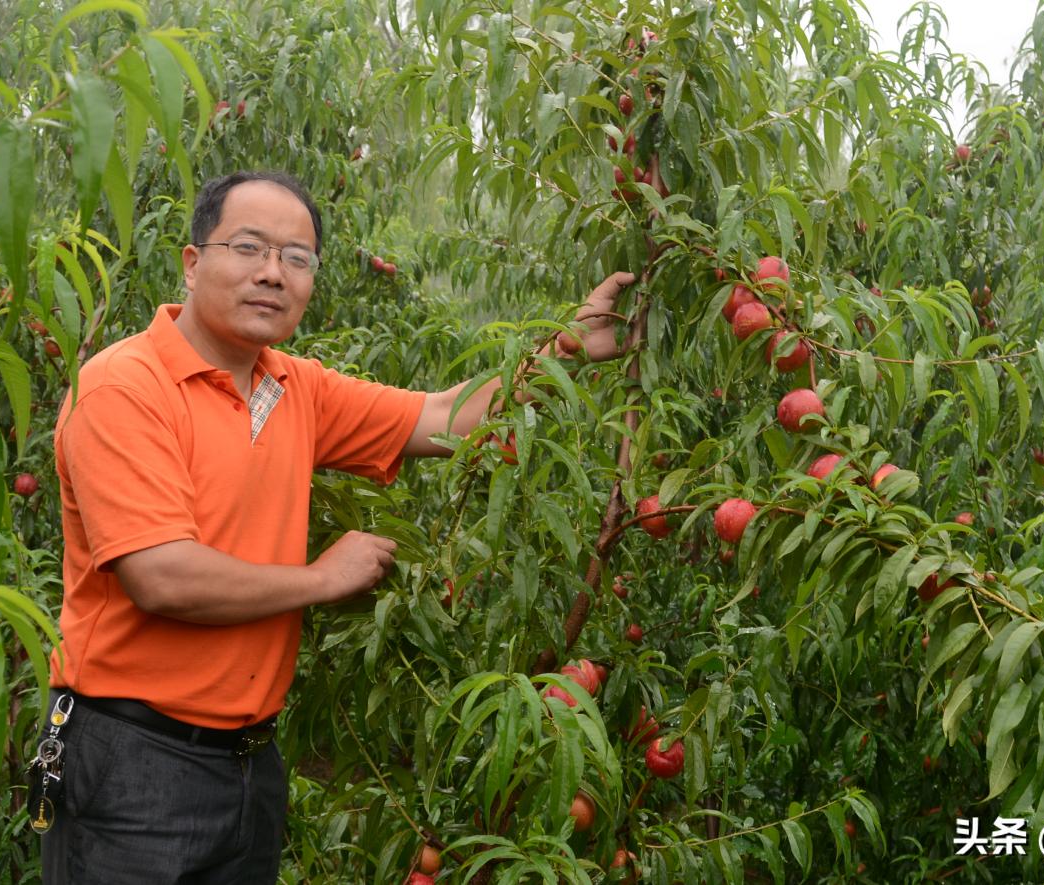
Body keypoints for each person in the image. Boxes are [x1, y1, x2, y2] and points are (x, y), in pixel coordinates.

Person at [35, 170, 633, 883]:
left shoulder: (291, 386)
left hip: (247, 758)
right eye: (249, 247)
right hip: (131, 754)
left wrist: (562, 347)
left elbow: (441, 417)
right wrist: (322, 577)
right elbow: (160, 575)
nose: (272, 273)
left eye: (297, 258)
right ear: (192, 264)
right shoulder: (123, 387)